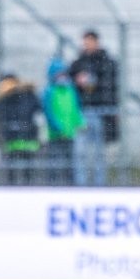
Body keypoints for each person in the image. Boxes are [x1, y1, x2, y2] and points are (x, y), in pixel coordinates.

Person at [68, 29, 120, 186]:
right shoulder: (78, 63)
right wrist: (78, 81)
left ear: (97, 42)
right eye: (85, 42)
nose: (87, 45)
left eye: (90, 42)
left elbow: (111, 86)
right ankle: (81, 183)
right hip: (82, 111)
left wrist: (95, 81)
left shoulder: (106, 62)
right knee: (80, 152)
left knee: (99, 152)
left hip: (101, 111)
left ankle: (99, 183)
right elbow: (71, 84)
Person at [0, 73, 43, 185]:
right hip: (14, 136)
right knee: (13, 165)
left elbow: (36, 109)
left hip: (27, 135)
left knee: (27, 165)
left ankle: (26, 185)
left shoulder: (27, 95)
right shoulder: (5, 98)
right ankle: (14, 186)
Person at [41, 57, 84, 185]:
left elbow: (76, 110)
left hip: (69, 133)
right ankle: (53, 185)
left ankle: (70, 186)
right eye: (59, 74)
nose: (62, 77)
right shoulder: (49, 92)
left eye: (63, 73)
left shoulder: (71, 90)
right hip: (55, 134)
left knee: (70, 163)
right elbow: (49, 112)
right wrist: (57, 128)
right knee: (54, 162)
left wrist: (80, 123)